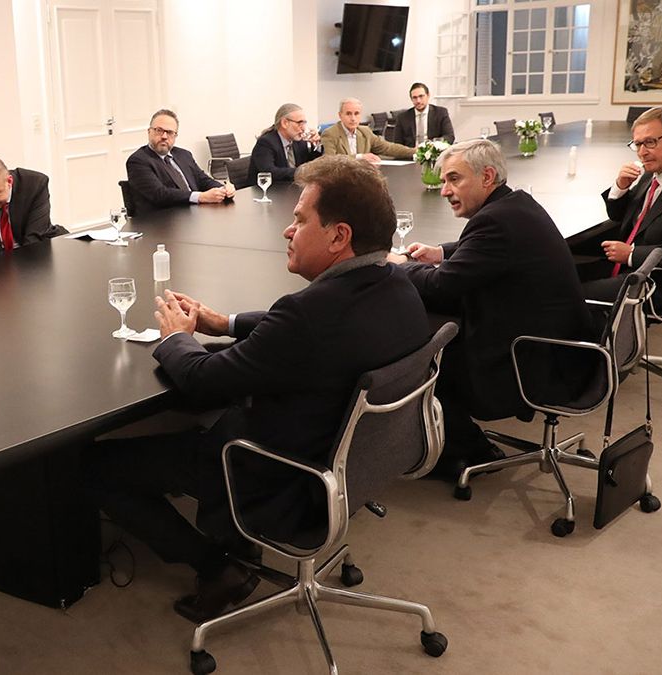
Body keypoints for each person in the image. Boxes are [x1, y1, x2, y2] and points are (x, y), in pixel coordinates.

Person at [84, 156, 430, 624]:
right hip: (360, 460)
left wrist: (175, 339)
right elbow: (299, 327)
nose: (288, 231)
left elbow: (203, 381)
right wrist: (224, 322)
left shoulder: (306, 317)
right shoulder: (399, 283)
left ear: (338, 236)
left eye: (299, 220)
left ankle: (218, 566)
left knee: (93, 465)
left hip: (277, 470)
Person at [389, 140, 593, 478]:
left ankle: (468, 453)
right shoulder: (516, 206)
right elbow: (486, 249)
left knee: (417, 363)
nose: (445, 191)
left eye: (454, 179)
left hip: (531, 360)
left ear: (487, 176)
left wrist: (398, 266)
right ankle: (460, 444)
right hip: (562, 347)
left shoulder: (495, 222)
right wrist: (441, 252)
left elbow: (441, 287)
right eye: (443, 181)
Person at [571, 107, 662, 312]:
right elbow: (619, 217)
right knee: (560, 275)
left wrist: (631, 254)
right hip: (632, 267)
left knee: (570, 296)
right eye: (637, 144)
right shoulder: (653, 171)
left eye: (650, 142)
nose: (642, 152)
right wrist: (620, 187)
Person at [125, 109, 234, 218]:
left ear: (175, 136)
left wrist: (223, 189)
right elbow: (159, 194)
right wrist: (200, 196)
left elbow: (202, 180)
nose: (164, 136)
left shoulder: (183, 154)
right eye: (159, 130)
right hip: (161, 222)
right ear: (149, 132)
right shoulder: (138, 161)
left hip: (193, 216)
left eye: (170, 132)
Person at [246, 103, 323, 186]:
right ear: (284, 123)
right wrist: (301, 172)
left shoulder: (298, 141)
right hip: (268, 192)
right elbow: (270, 172)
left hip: (291, 189)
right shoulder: (266, 143)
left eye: (304, 123)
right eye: (299, 123)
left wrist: (317, 145)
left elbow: (310, 164)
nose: (303, 128)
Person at [320, 98, 415, 165]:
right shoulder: (330, 133)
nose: (353, 118)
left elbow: (388, 148)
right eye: (348, 114)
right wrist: (360, 157)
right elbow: (330, 160)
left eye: (356, 114)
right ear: (340, 115)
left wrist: (414, 151)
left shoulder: (365, 131)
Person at [391, 82, 455, 146]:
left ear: (428, 95)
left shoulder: (440, 113)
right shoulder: (402, 118)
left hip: (434, 152)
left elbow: (450, 137)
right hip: (410, 154)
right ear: (411, 99)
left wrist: (432, 146)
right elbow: (397, 144)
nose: (418, 101)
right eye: (414, 98)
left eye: (421, 96)